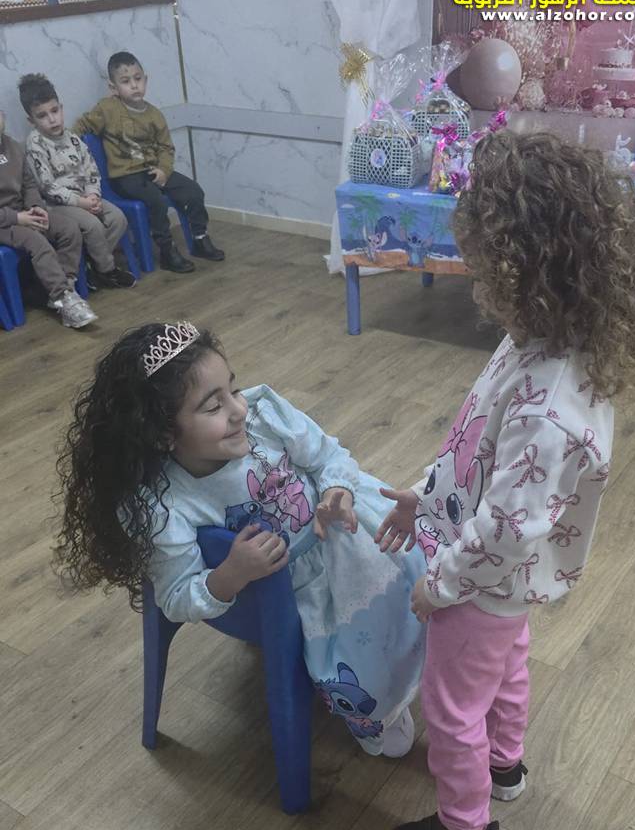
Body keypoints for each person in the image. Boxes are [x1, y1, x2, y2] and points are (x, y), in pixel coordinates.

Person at [375, 129, 635, 830]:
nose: (479, 282)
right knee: (507, 667)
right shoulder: (538, 338)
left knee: (450, 707)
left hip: (479, 584)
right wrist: (424, 494)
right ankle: (503, 764)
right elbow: (475, 446)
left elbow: (505, 530)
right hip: (502, 584)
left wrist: (439, 587)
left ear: (528, 267)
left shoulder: (551, 405)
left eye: (486, 266)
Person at [56, 322, 425, 757]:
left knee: (417, 579)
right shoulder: (163, 505)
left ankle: (428, 659)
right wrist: (230, 574)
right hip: (287, 587)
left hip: (339, 530)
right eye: (214, 405)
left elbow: (328, 455)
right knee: (360, 648)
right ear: (163, 434)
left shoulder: (264, 414)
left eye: (233, 389)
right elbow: (175, 596)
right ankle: (382, 708)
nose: (238, 410)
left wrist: (336, 490)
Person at [73, 52, 224, 274]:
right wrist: (66, 145)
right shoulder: (107, 109)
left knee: (193, 191)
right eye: (126, 81)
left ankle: (200, 238)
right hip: (125, 176)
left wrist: (164, 170)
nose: (134, 85)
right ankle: (167, 250)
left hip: (153, 171)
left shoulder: (154, 115)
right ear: (113, 87)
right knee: (156, 201)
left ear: (146, 79)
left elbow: (165, 148)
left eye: (138, 78)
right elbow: (83, 126)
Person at [19, 73, 135, 291]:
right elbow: (47, 186)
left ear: (61, 108)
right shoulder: (35, 145)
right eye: (42, 116)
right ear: (31, 121)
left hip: (85, 197)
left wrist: (93, 195)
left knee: (118, 218)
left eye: (55, 111)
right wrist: (81, 203)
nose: (52, 119)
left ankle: (91, 265)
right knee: (92, 226)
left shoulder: (72, 138)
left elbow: (91, 169)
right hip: (57, 205)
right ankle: (106, 270)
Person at [0, 109, 97, 329]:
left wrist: (36, 207)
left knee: (69, 229)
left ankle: (65, 287)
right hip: (5, 222)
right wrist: (17, 217)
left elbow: (29, 185)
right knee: (36, 241)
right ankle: (63, 299)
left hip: (24, 212)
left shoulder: (13, 146)